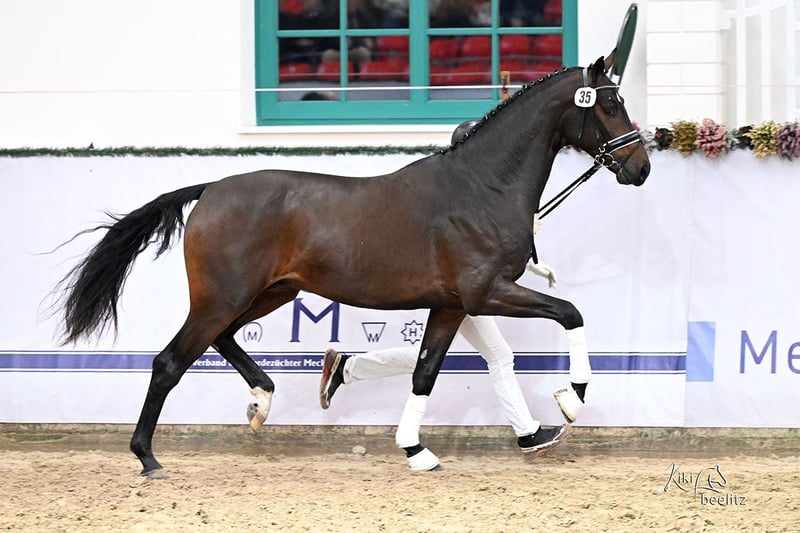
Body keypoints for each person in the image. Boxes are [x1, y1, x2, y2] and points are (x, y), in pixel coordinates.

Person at [319, 120, 574, 457]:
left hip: (464, 289)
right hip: (462, 290)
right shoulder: (463, 197)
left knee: (447, 355)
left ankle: (347, 368)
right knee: (488, 357)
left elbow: (490, 250)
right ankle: (527, 434)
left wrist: (533, 261)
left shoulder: (475, 193)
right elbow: (479, 251)